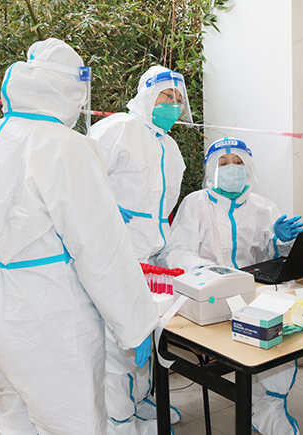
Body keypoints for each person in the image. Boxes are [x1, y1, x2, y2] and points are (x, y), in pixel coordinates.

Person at [0, 38, 159, 434]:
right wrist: (134, 323)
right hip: (46, 311)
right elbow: (101, 250)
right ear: (70, 88)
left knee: (14, 418)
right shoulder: (64, 146)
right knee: (71, 423)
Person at [162, 137, 303, 435]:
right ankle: (260, 403)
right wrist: (210, 271)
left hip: (253, 292)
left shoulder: (263, 206)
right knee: (263, 333)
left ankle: (270, 409)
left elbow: (272, 258)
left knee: (281, 330)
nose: (232, 168)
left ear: (248, 166)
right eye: (224, 163)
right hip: (210, 296)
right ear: (211, 169)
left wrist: (280, 240)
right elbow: (175, 251)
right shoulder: (196, 203)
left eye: (238, 162)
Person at [89, 65, 192, 433]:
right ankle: (120, 423)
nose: (173, 105)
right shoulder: (118, 128)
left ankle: (141, 400)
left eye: (178, 99)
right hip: (116, 255)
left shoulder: (170, 147)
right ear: (148, 94)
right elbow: (82, 177)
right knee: (119, 345)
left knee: (143, 337)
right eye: (167, 96)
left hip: (148, 258)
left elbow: (163, 207)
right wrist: (104, 210)